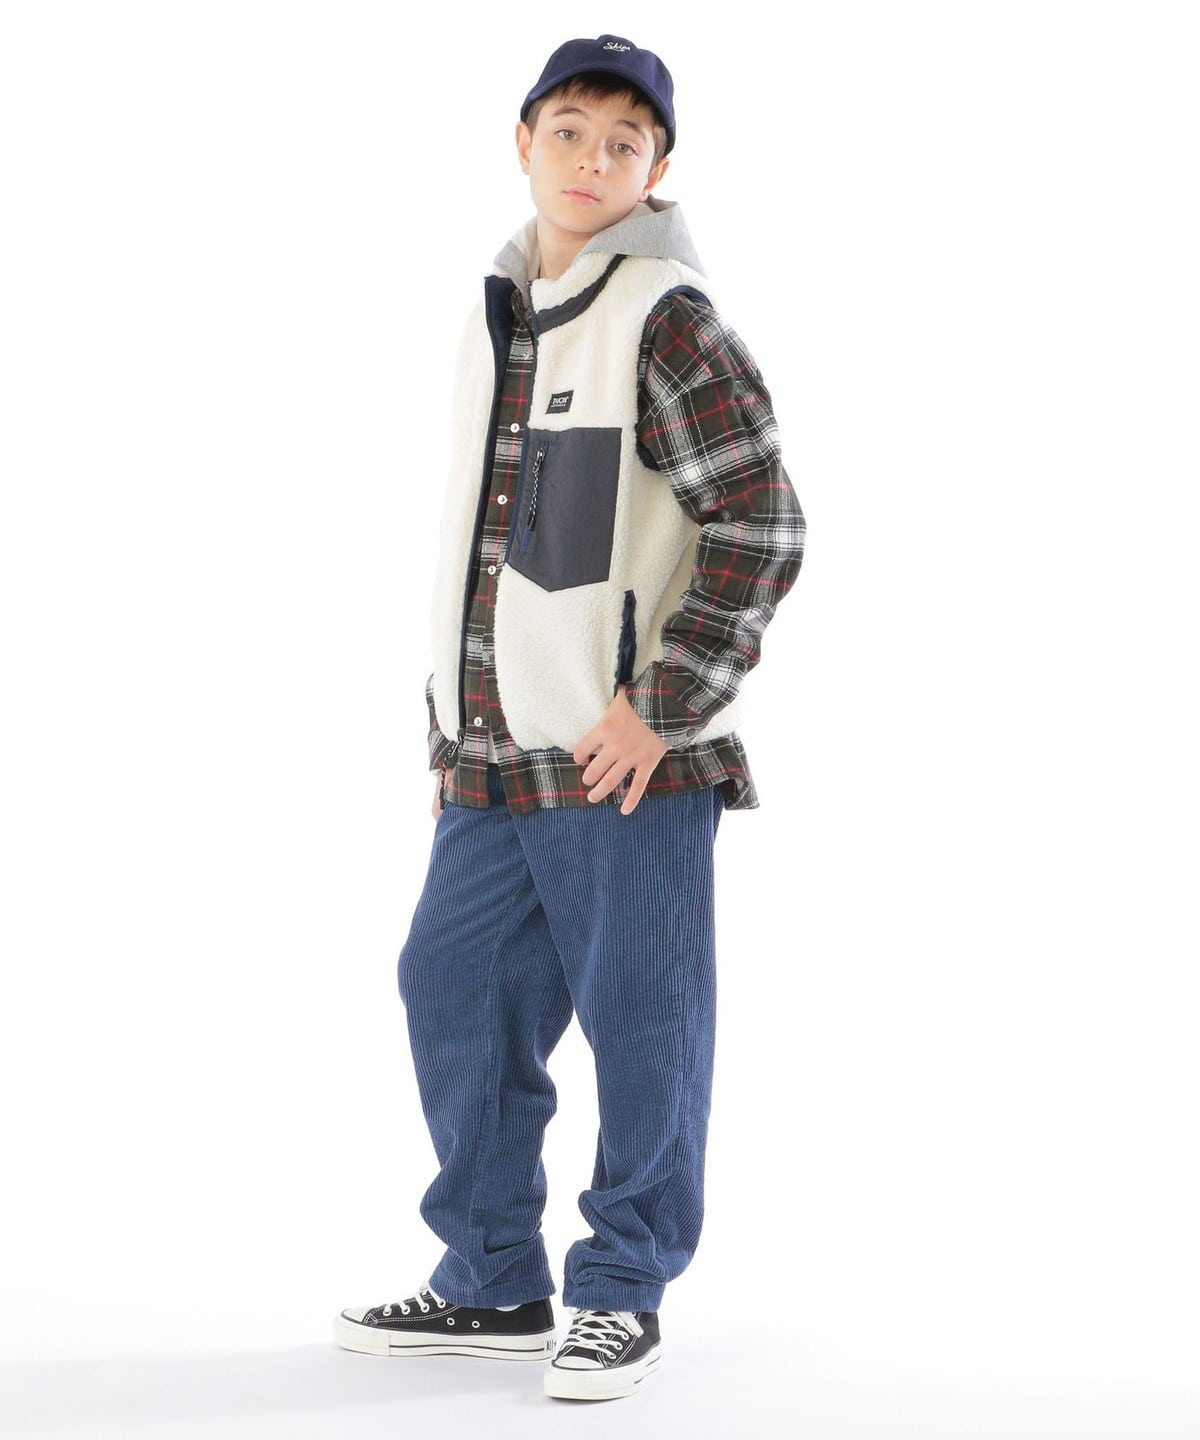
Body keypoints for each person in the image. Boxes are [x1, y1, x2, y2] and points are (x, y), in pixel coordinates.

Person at [334, 33, 806, 1403]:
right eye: (570, 132)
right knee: (450, 983)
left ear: (660, 167)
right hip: (495, 755)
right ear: (523, 140)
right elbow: (492, 545)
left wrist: (663, 704)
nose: (593, 160)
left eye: (624, 142)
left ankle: (621, 1290)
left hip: (624, 758)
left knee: (644, 1021)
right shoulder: (504, 310)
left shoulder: (667, 316)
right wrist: (451, 730)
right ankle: (491, 1278)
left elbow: (762, 522)